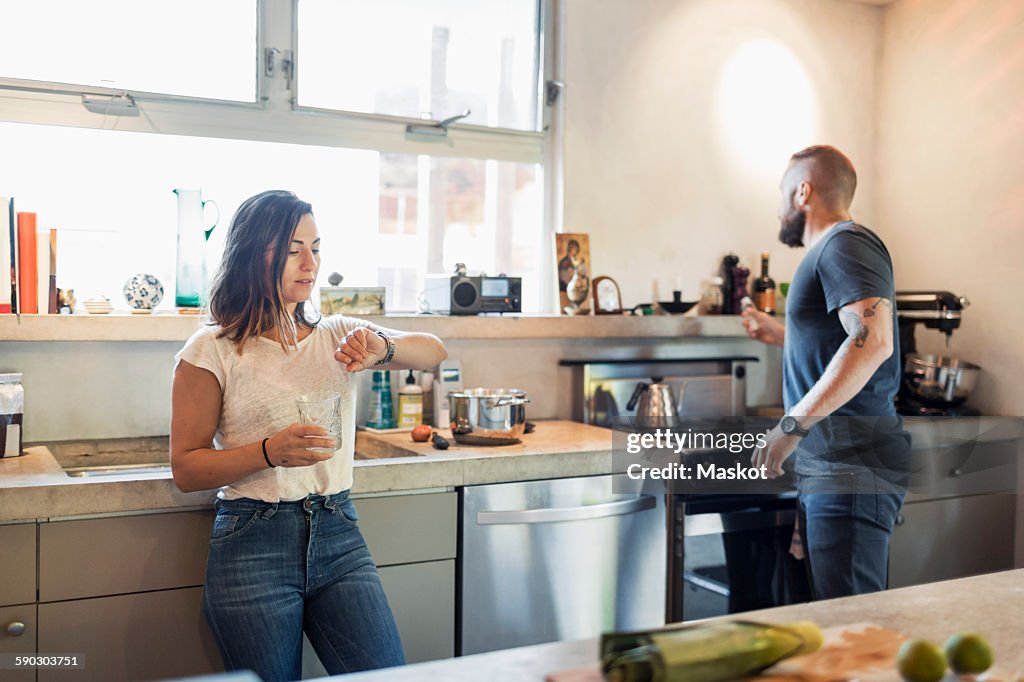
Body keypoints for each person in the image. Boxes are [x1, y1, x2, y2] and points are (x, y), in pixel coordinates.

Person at [170, 190, 448, 681]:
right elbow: (187, 469)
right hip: (252, 540)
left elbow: (433, 350)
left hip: (338, 531)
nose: (310, 263)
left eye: (316, 247)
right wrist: (268, 452)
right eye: (293, 248)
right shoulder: (212, 349)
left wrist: (379, 349)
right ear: (254, 253)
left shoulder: (336, 333)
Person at [743, 145, 911, 600]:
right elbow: (844, 338)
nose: (779, 206)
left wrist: (791, 425)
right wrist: (783, 334)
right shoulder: (834, 251)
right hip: (840, 466)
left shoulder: (845, 243)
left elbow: (872, 340)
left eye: (783, 192)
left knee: (853, 630)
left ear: (803, 191)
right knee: (840, 623)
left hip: (852, 466)